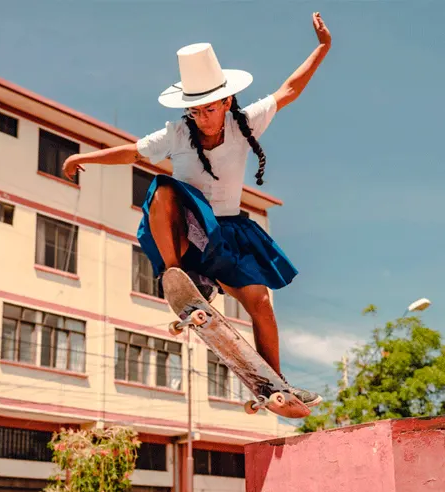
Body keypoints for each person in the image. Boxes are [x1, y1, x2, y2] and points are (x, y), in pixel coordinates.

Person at [62, 13, 332, 405]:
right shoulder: (176, 133)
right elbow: (131, 152)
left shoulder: (246, 124)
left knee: (261, 305)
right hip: (187, 233)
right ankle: (180, 276)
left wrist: (322, 48)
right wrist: (85, 156)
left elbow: (289, 90)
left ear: (226, 100)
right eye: (195, 111)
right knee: (164, 190)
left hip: (228, 235)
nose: (203, 118)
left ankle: (277, 384)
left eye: (209, 108)